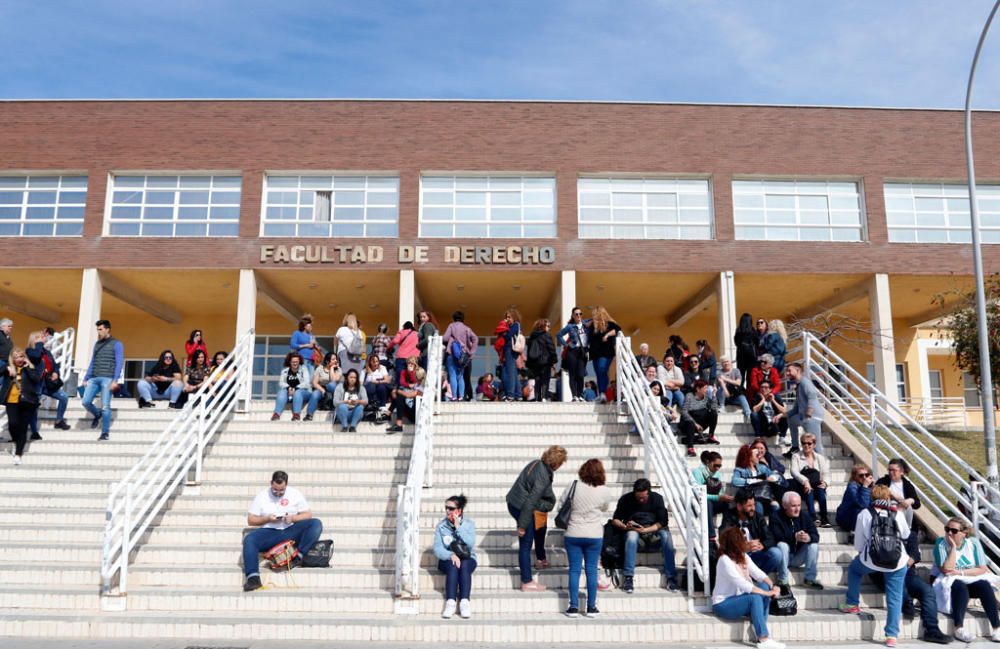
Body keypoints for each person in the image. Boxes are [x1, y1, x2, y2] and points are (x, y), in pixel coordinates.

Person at [840, 485, 910, 648]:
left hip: (871, 560)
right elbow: (906, 535)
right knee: (894, 597)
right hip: (897, 561)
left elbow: (858, 545)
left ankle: (852, 604)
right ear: (888, 497)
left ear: (872, 497)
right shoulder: (897, 513)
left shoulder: (864, 513)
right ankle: (891, 635)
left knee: (854, 570)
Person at [242, 471, 323, 592]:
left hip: (290, 530)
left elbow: (308, 514)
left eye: (281, 490)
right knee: (249, 539)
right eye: (275, 490)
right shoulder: (262, 496)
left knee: (316, 524)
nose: (278, 493)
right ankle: (253, 578)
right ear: (271, 483)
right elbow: (250, 519)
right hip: (270, 532)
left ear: (287, 484)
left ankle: (297, 557)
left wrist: (293, 518)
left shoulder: (295, 494)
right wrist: (267, 518)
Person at [505, 445, 567, 591]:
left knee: (540, 525)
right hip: (521, 507)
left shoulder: (537, 463)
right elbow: (531, 501)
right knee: (525, 545)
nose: (560, 466)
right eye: (561, 462)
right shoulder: (543, 476)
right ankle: (527, 581)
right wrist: (522, 525)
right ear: (556, 462)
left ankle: (541, 559)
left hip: (515, 501)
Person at [559, 458, 615, 617]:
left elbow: (561, 505)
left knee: (574, 570)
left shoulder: (573, 485)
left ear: (583, 470)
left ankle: (573, 607)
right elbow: (604, 508)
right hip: (594, 534)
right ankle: (591, 607)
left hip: (573, 533)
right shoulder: (604, 490)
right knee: (591, 571)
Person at [712, 527, 785, 649]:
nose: (745, 542)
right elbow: (743, 584)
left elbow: (759, 573)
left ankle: (759, 628)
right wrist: (768, 593)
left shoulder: (743, 556)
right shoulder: (724, 560)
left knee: (763, 585)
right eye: (742, 540)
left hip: (739, 599)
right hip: (723, 604)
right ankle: (763, 638)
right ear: (735, 543)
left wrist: (773, 586)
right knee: (755, 598)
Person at [932, 517, 1000, 642]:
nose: (949, 533)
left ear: (964, 534)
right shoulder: (941, 543)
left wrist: (960, 572)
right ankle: (959, 628)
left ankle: (996, 628)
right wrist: (953, 547)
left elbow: (982, 569)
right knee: (960, 586)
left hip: (965, 577)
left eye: (954, 530)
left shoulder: (973, 543)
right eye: (947, 529)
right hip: (943, 581)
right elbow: (946, 570)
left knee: (984, 585)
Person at [610, 478, 678, 594]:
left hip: (653, 531)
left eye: (644, 497)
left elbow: (662, 522)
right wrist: (625, 526)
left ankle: (671, 577)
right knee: (631, 537)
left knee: (666, 536)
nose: (641, 500)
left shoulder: (657, 499)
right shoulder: (626, 499)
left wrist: (646, 530)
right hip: (634, 532)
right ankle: (628, 577)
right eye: (638, 497)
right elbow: (615, 519)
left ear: (649, 492)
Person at [433, 494, 477, 619]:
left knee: (464, 565)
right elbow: (437, 548)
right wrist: (450, 555)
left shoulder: (469, 524)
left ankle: (464, 602)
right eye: (446, 507)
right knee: (453, 566)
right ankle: (451, 602)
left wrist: (459, 528)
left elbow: (470, 544)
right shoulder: (441, 526)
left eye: (451, 508)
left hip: (467, 558)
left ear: (459, 510)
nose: (447, 510)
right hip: (447, 559)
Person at [719, 489, 782, 575]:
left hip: (755, 555)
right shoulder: (729, 516)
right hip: (738, 557)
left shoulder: (758, 517)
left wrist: (762, 545)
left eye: (754, 505)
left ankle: (757, 577)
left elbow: (770, 537)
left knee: (776, 553)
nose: (753, 508)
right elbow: (724, 538)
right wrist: (743, 547)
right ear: (739, 506)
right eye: (749, 506)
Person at [770, 492, 822, 589]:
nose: (797, 509)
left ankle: (809, 579)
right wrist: (794, 537)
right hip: (781, 556)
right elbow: (776, 537)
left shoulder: (804, 516)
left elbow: (816, 535)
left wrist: (808, 538)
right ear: (785, 506)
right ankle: (783, 580)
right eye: (793, 506)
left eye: (799, 505)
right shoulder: (775, 516)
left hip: (797, 557)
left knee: (813, 545)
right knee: (782, 545)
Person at [82, 319, 124, 441]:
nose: (99, 331)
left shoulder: (117, 344)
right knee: (85, 401)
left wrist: (115, 380)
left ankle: (105, 433)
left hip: (108, 378)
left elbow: (119, 362)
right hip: (94, 378)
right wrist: (86, 378)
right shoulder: (97, 344)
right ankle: (97, 414)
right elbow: (93, 362)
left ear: (107, 329)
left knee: (105, 406)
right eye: (98, 329)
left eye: (100, 329)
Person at [2, 346, 43, 465]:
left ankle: (18, 454)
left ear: (24, 357)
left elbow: (36, 379)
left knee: (23, 428)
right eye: (16, 357)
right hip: (11, 400)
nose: (19, 359)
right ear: (12, 359)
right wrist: (7, 368)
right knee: (13, 424)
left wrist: (28, 368)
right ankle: (16, 440)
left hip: (28, 402)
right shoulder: (8, 368)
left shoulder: (30, 368)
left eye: (20, 356)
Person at [32, 327, 71, 432]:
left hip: (47, 383)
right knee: (34, 405)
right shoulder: (31, 351)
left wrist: (55, 372)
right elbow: (35, 357)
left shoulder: (47, 352)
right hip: (37, 384)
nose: (44, 338)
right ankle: (34, 429)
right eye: (41, 337)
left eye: (43, 336)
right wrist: (39, 344)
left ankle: (59, 421)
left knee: (64, 397)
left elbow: (54, 365)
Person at [790, 433, 831, 527]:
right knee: (809, 491)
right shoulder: (796, 456)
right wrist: (805, 481)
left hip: (817, 483)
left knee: (821, 490)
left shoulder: (819, 458)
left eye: (809, 443)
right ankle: (813, 517)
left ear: (814, 444)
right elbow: (794, 472)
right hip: (802, 485)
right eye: (804, 443)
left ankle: (824, 517)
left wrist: (825, 483)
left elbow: (826, 473)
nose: (806, 445)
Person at [783, 362, 824, 457]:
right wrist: (782, 415)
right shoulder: (799, 385)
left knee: (816, 445)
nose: (787, 373)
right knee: (792, 419)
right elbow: (796, 408)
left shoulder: (805, 382)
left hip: (812, 418)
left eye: (789, 370)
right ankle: (795, 447)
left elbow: (812, 395)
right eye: (787, 371)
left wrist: (809, 412)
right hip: (802, 417)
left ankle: (822, 467)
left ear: (798, 370)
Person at [692, 450, 733, 542]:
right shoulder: (697, 472)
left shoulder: (718, 474)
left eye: (720, 466)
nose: (718, 468)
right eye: (716, 465)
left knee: (726, 504)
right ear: (708, 462)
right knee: (707, 503)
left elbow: (720, 491)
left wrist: (724, 497)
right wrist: (717, 497)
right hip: (699, 501)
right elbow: (699, 494)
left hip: (713, 501)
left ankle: (724, 530)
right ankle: (711, 535)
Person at [731, 444, 782, 515]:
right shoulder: (740, 470)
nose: (759, 456)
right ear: (749, 456)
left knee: (775, 505)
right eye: (756, 455)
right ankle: (759, 525)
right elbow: (734, 481)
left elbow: (777, 476)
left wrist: (773, 477)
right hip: (751, 498)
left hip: (765, 497)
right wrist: (753, 481)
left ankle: (774, 525)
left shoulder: (762, 467)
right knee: (757, 505)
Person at [586, 306, 621, 404]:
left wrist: (607, 335)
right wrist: (588, 323)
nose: (593, 316)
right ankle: (601, 394)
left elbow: (618, 329)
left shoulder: (610, 324)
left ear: (600, 314)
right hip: (594, 353)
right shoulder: (592, 325)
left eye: (594, 315)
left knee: (602, 369)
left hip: (606, 353)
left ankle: (603, 393)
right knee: (598, 373)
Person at [679, 379, 720, 457]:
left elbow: (714, 409)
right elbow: (684, 412)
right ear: (698, 389)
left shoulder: (707, 397)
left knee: (713, 413)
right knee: (690, 423)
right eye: (705, 388)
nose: (707, 390)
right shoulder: (689, 396)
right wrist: (695, 424)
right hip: (688, 423)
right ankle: (690, 448)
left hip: (700, 423)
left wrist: (714, 395)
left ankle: (711, 436)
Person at [442, 311, 477, 402]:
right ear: (462, 319)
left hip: (452, 353)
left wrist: (447, 338)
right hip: (463, 355)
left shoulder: (451, 326)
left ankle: (454, 396)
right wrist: (471, 352)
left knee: (453, 375)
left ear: (453, 318)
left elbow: (445, 338)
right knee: (460, 376)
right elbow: (475, 338)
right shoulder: (467, 328)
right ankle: (461, 396)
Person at [877, 458, 921, 529]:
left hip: (902, 517)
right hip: (886, 514)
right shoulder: (883, 481)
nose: (891, 472)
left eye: (894, 470)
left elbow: (917, 504)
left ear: (902, 472)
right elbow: (876, 490)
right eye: (889, 470)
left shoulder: (908, 486)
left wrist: (911, 500)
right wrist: (890, 492)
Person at [557, 307, 589, 401]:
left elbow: (596, 319)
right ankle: (574, 396)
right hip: (572, 351)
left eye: (580, 314)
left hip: (582, 351)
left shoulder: (586, 323)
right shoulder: (570, 326)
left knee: (580, 374)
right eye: (576, 314)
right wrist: (566, 345)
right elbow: (559, 335)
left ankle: (580, 395)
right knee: (573, 374)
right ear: (573, 316)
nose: (579, 316)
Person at [385, 357, 423, 434]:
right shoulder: (405, 372)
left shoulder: (422, 386)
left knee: (400, 395)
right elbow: (402, 382)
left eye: (412, 363)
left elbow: (409, 395)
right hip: (409, 410)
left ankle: (388, 414)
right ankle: (397, 423)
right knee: (399, 397)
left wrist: (397, 390)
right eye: (409, 363)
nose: (410, 365)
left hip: (416, 414)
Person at [271, 352, 310, 421]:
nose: (295, 363)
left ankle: (296, 414)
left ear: (299, 361)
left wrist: (296, 388)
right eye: (293, 362)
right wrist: (288, 388)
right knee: (281, 392)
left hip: (303, 393)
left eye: (297, 362)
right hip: (289, 392)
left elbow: (306, 383)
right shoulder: (285, 371)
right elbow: (281, 383)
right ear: (289, 362)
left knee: (297, 392)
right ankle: (276, 414)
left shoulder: (304, 369)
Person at [837, 465, 875, 533]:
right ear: (855, 476)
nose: (864, 477)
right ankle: (853, 534)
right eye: (861, 475)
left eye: (866, 475)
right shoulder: (852, 486)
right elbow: (863, 504)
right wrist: (865, 487)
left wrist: (874, 488)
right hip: (846, 517)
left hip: (858, 518)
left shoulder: (869, 486)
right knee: (861, 510)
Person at [494, 308, 522, 402]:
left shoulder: (515, 325)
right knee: (513, 373)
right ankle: (518, 395)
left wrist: (505, 331)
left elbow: (507, 336)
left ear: (514, 317)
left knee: (510, 373)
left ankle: (510, 395)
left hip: (510, 349)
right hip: (508, 350)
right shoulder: (511, 325)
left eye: (509, 317)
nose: (507, 319)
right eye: (506, 317)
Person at [525, 319, 556, 402]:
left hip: (535, 362)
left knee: (537, 379)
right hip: (546, 361)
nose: (549, 328)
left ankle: (537, 397)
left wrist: (529, 363)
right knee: (545, 379)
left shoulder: (532, 336)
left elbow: (529, 351)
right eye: (548, 326)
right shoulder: (546, 335)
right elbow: (551, 348)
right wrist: (554, 360)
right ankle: (544, 397)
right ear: (543, 326)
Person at [306, 352, 342, 420]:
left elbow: (333, 380)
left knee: (331, 385)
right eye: (333, 359)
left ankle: (337, 409)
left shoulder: (338, 369)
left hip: (334, 391)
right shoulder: (320, 368)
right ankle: (309, 414)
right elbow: (315, 383)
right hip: (322, 389)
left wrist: (331, 368)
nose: (336, 361)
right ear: (327, 361)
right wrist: (323, 390)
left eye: (336, 359)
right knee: (315, 394)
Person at [734, 313, 759, 391]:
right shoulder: (753, 330)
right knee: (750, 376)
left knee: (740, 375)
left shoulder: (738, 330)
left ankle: (740, 392)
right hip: (752, 357)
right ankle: (749, 393)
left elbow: (736, 343)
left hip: (741, 355)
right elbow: (757, 342)